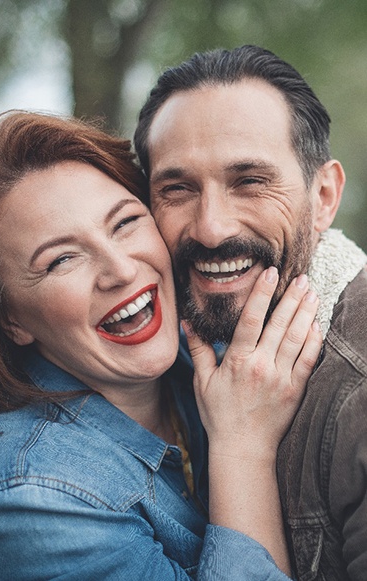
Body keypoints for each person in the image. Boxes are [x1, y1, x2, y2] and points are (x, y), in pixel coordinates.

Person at [0, 111, 322, 580]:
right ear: (11, 319)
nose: (122, 270)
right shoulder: (31, 500)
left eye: (124, 223)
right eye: (62, 259)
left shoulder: (203, 357)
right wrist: (242, 447)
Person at [134, 45, 367, 580]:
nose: (212, 228)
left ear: (324, 196)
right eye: (177, 188)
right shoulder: (169, 357)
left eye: (250, 181)